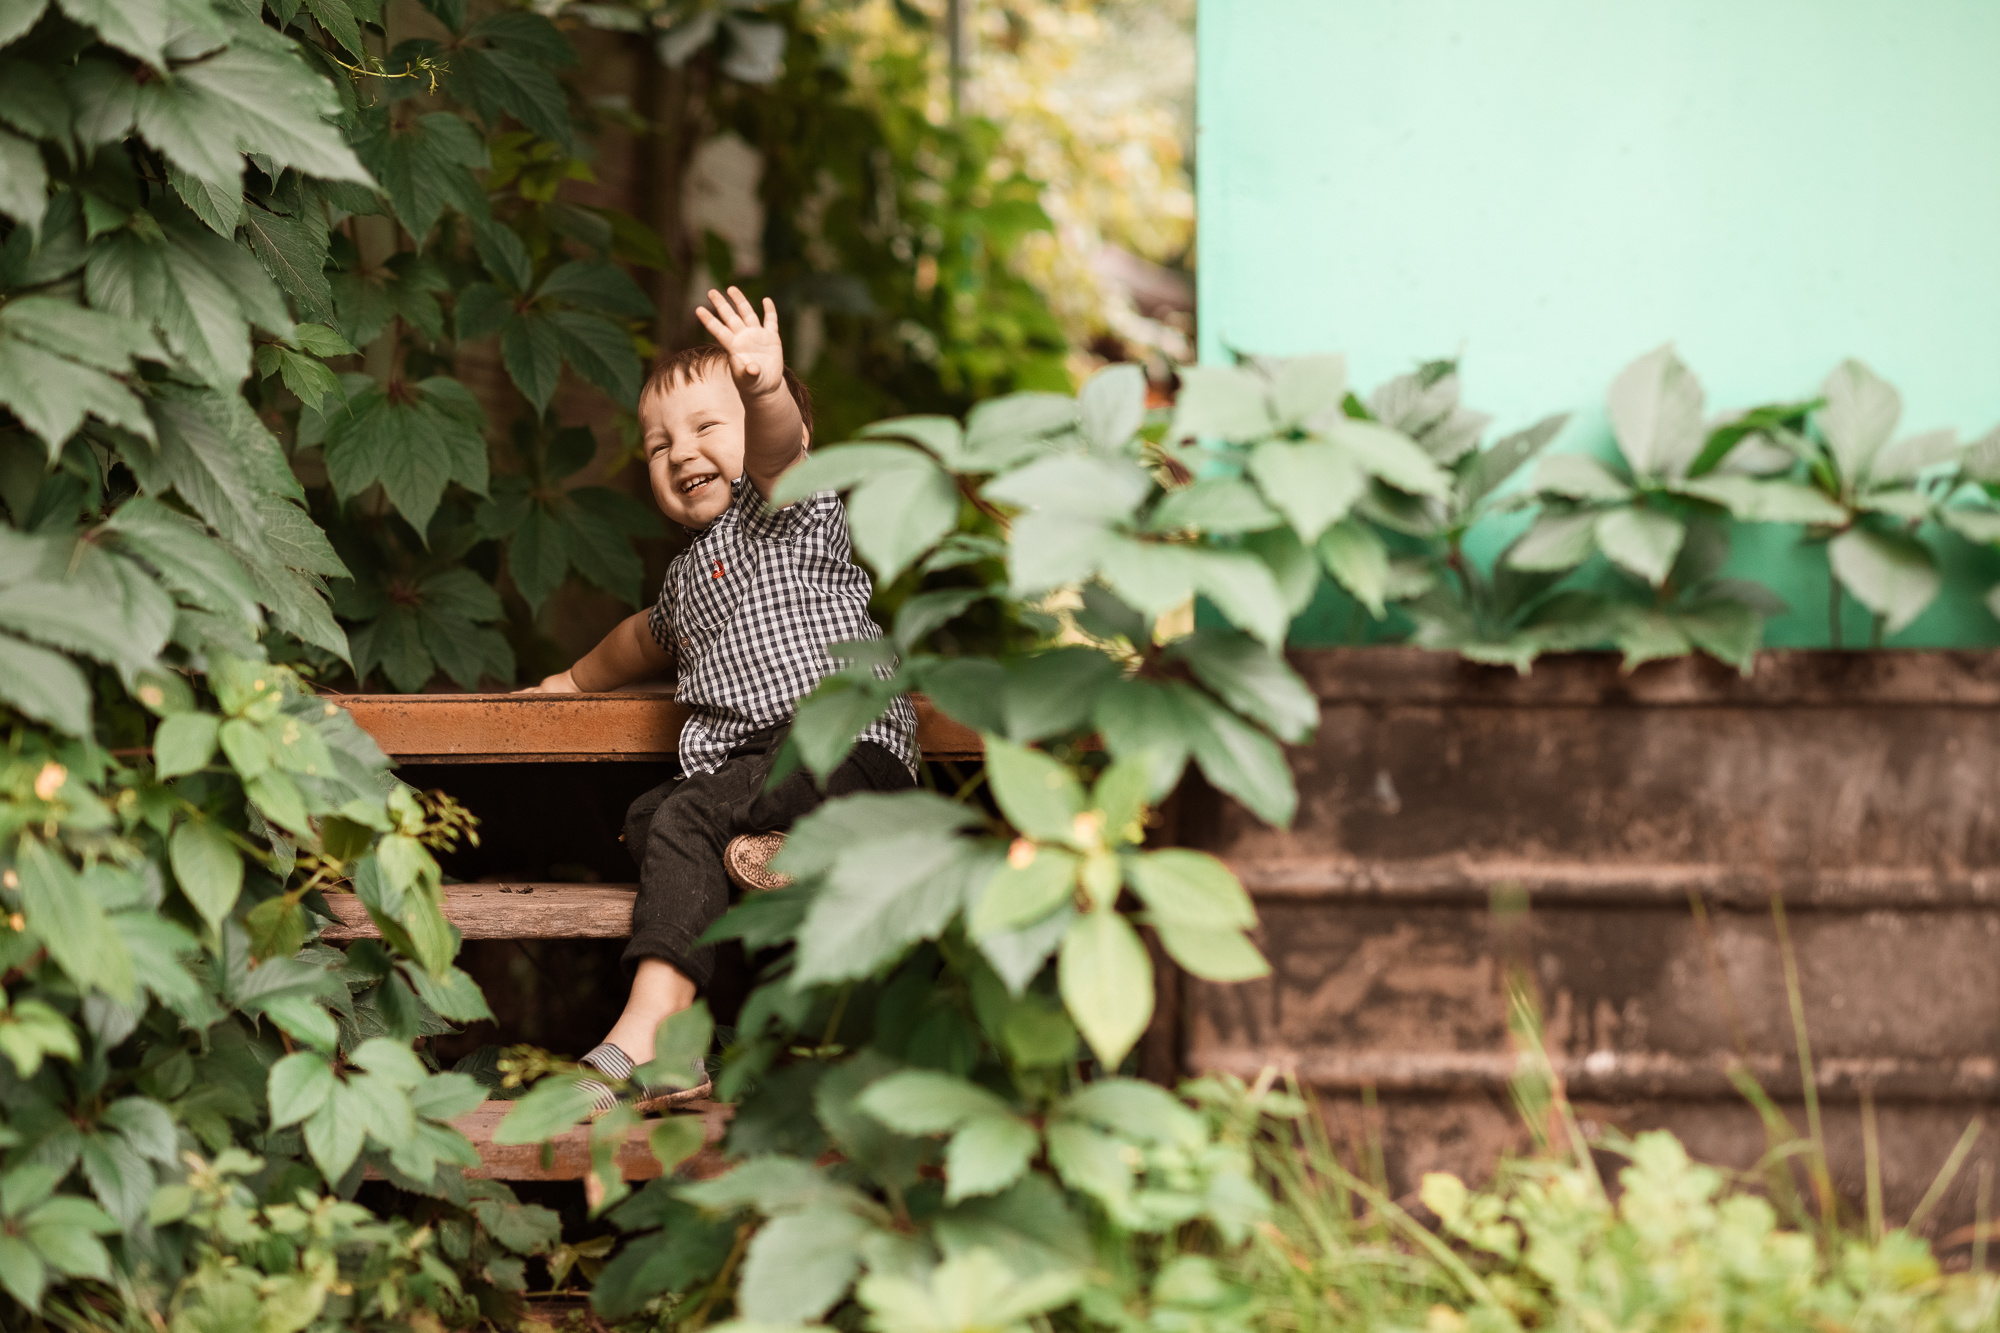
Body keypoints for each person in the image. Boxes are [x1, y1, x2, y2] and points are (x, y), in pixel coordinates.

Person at [520, 287, 917, 1112]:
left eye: (707, 426)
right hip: (769, 770)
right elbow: (637, 641)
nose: (681, 452)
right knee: (648, 815)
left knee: (687, 816)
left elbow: (779, 451)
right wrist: (569, 683)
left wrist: (764, 387)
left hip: (844, 747)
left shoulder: (789, 515)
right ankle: (779, 850)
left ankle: (648, 1034)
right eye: (659, 444)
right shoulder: (686, 578)